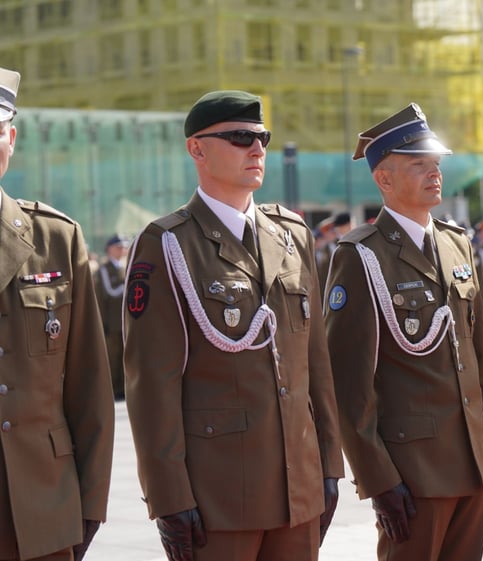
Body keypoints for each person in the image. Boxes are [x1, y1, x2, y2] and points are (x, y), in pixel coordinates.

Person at [122, 90, 344, 561]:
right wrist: (169, 496)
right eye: (241, 137)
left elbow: (315, 362)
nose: (257, 149)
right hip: (217, 495)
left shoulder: (292, 234)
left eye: (262, 137)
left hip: (298, 487)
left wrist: (328, 465)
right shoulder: (167, 243)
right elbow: (152, 384)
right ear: (197, 149)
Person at [323, 103, 483, 561]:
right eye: (419, 166)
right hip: (412, 469)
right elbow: (349, 386)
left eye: (436, 165)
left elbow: (479, 356)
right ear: (384, 179)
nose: (434, 175)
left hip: (475, 462)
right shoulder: (360, 255)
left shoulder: (456, 241)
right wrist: (378, 478)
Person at [0, 66, 114, 561]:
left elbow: (88, 384)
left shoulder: (55, 239)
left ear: (11, 138)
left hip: (41, 506)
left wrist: (89, 506)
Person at [94, 233, 130, 399]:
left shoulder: (123, 267)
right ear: (109, 249)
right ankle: (114, 390)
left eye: (123, 246)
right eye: (118, 246)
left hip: (123, 321)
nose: (122, 249)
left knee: (124, 355)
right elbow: (105, 294)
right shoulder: (104, 269)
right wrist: (102, 322)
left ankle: (123, 388)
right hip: (110, 321)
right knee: (112, 356)